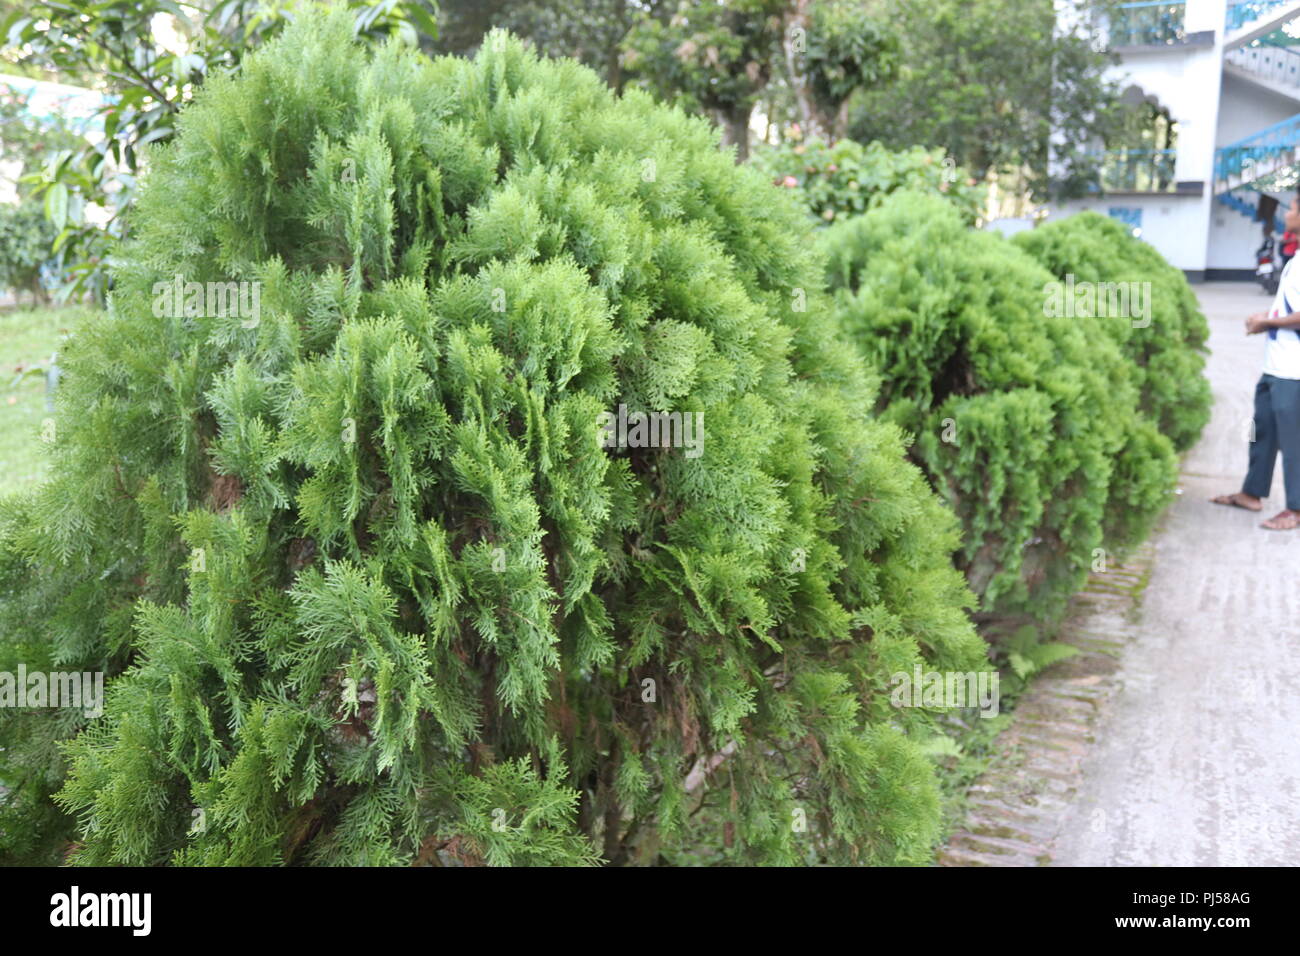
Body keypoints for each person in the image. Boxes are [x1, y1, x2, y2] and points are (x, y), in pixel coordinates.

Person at [1213, 191, 1300, 530]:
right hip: (1276, 366)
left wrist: (1268, 323)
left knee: (1294, 441)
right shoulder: (1294, 260)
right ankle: (1252, 493)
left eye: (1293, 207)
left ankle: (1295, 509)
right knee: (1261, 430)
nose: (1288, 211)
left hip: (1294, 372)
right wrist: (1266, 316)